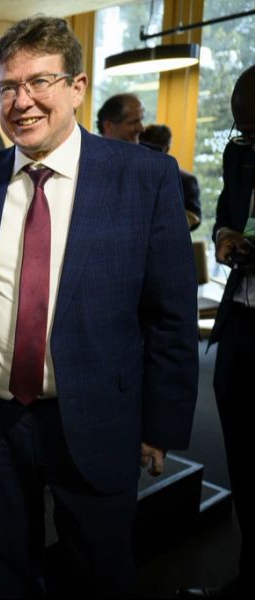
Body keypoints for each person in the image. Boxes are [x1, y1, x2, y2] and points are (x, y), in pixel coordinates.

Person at [0, 16, 198, 597]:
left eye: (39, 82)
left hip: (98, 420)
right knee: (7, 567)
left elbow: (171, 317)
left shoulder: (144, 178)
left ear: (77, 88)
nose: (22, 101)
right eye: (7, 87)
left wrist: (160, 426)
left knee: (99, 572)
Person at [183, 64, 255, 599]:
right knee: (242, 458)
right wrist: (226, 234)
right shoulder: (238, 154)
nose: (246, 141)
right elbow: (224, 215)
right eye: (241, 130)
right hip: (239, 326)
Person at [139, 123, 203, 231]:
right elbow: (195, 217)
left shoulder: (185, 180)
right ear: (167, 147)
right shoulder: (186, 179)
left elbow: (194, 218)